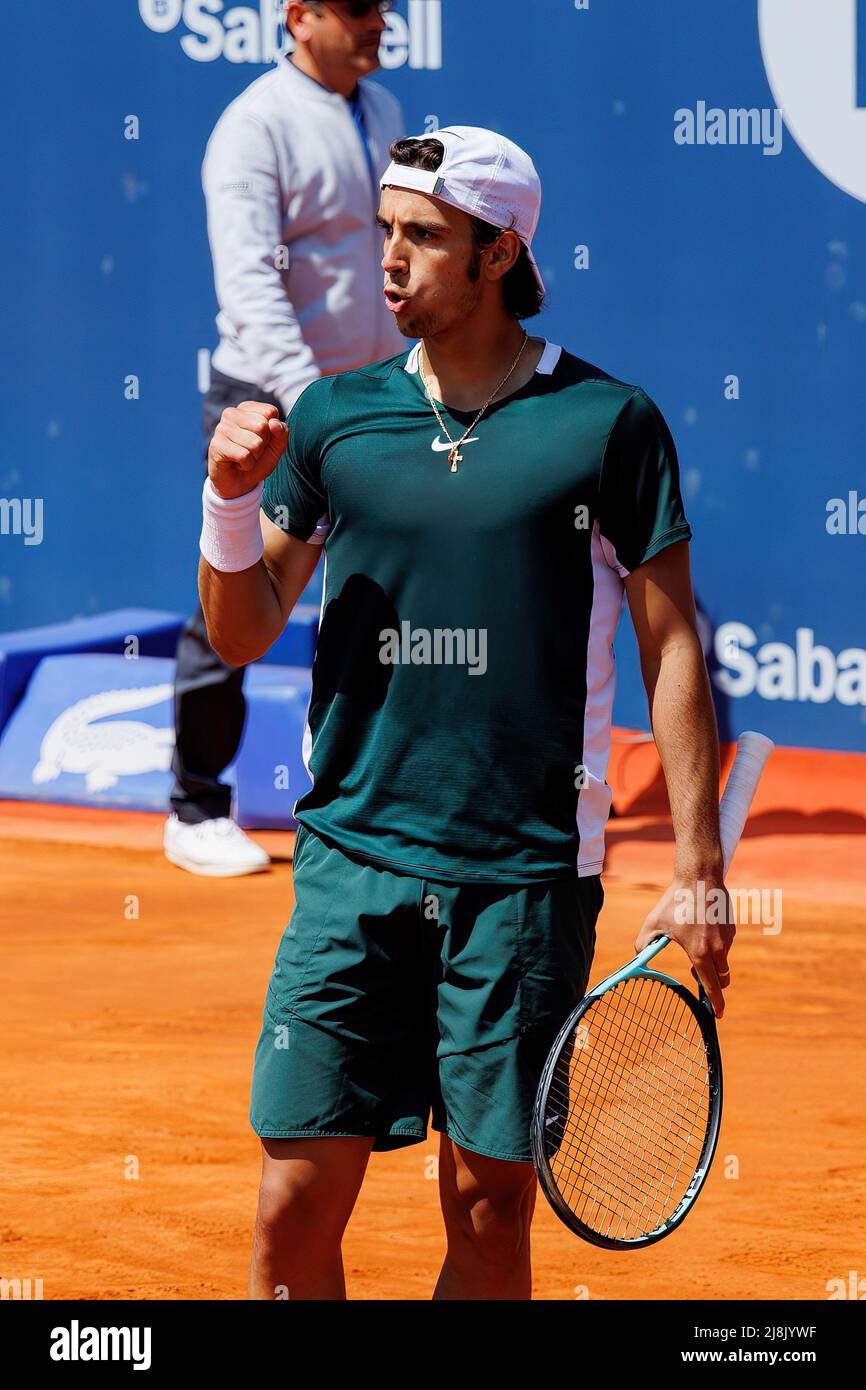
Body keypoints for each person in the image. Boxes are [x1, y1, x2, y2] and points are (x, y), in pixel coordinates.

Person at [199, 125, 734, 1299]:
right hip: (349, 864)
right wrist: (227, 505)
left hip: (525, 878)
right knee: (291, 1202)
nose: (389, 259)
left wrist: (699, 859)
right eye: (385, 230)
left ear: (499, 255)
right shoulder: (335, 419)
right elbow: (239, 632)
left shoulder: (607, 424)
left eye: (423, 237)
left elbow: (671, 642)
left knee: (488, 1210)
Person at [165, 0, 404, 876]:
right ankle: (194, 805)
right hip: (270, 403)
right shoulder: (252, 128)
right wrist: (317, 407)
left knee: (371, 597)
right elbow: (251, 290)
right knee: (239, 588)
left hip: (370, 399)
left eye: (383, 5)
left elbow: (393, 266)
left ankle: (350, 802)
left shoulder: (383, 111)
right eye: (355, 8)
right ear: (301, 18)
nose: (377, 20)